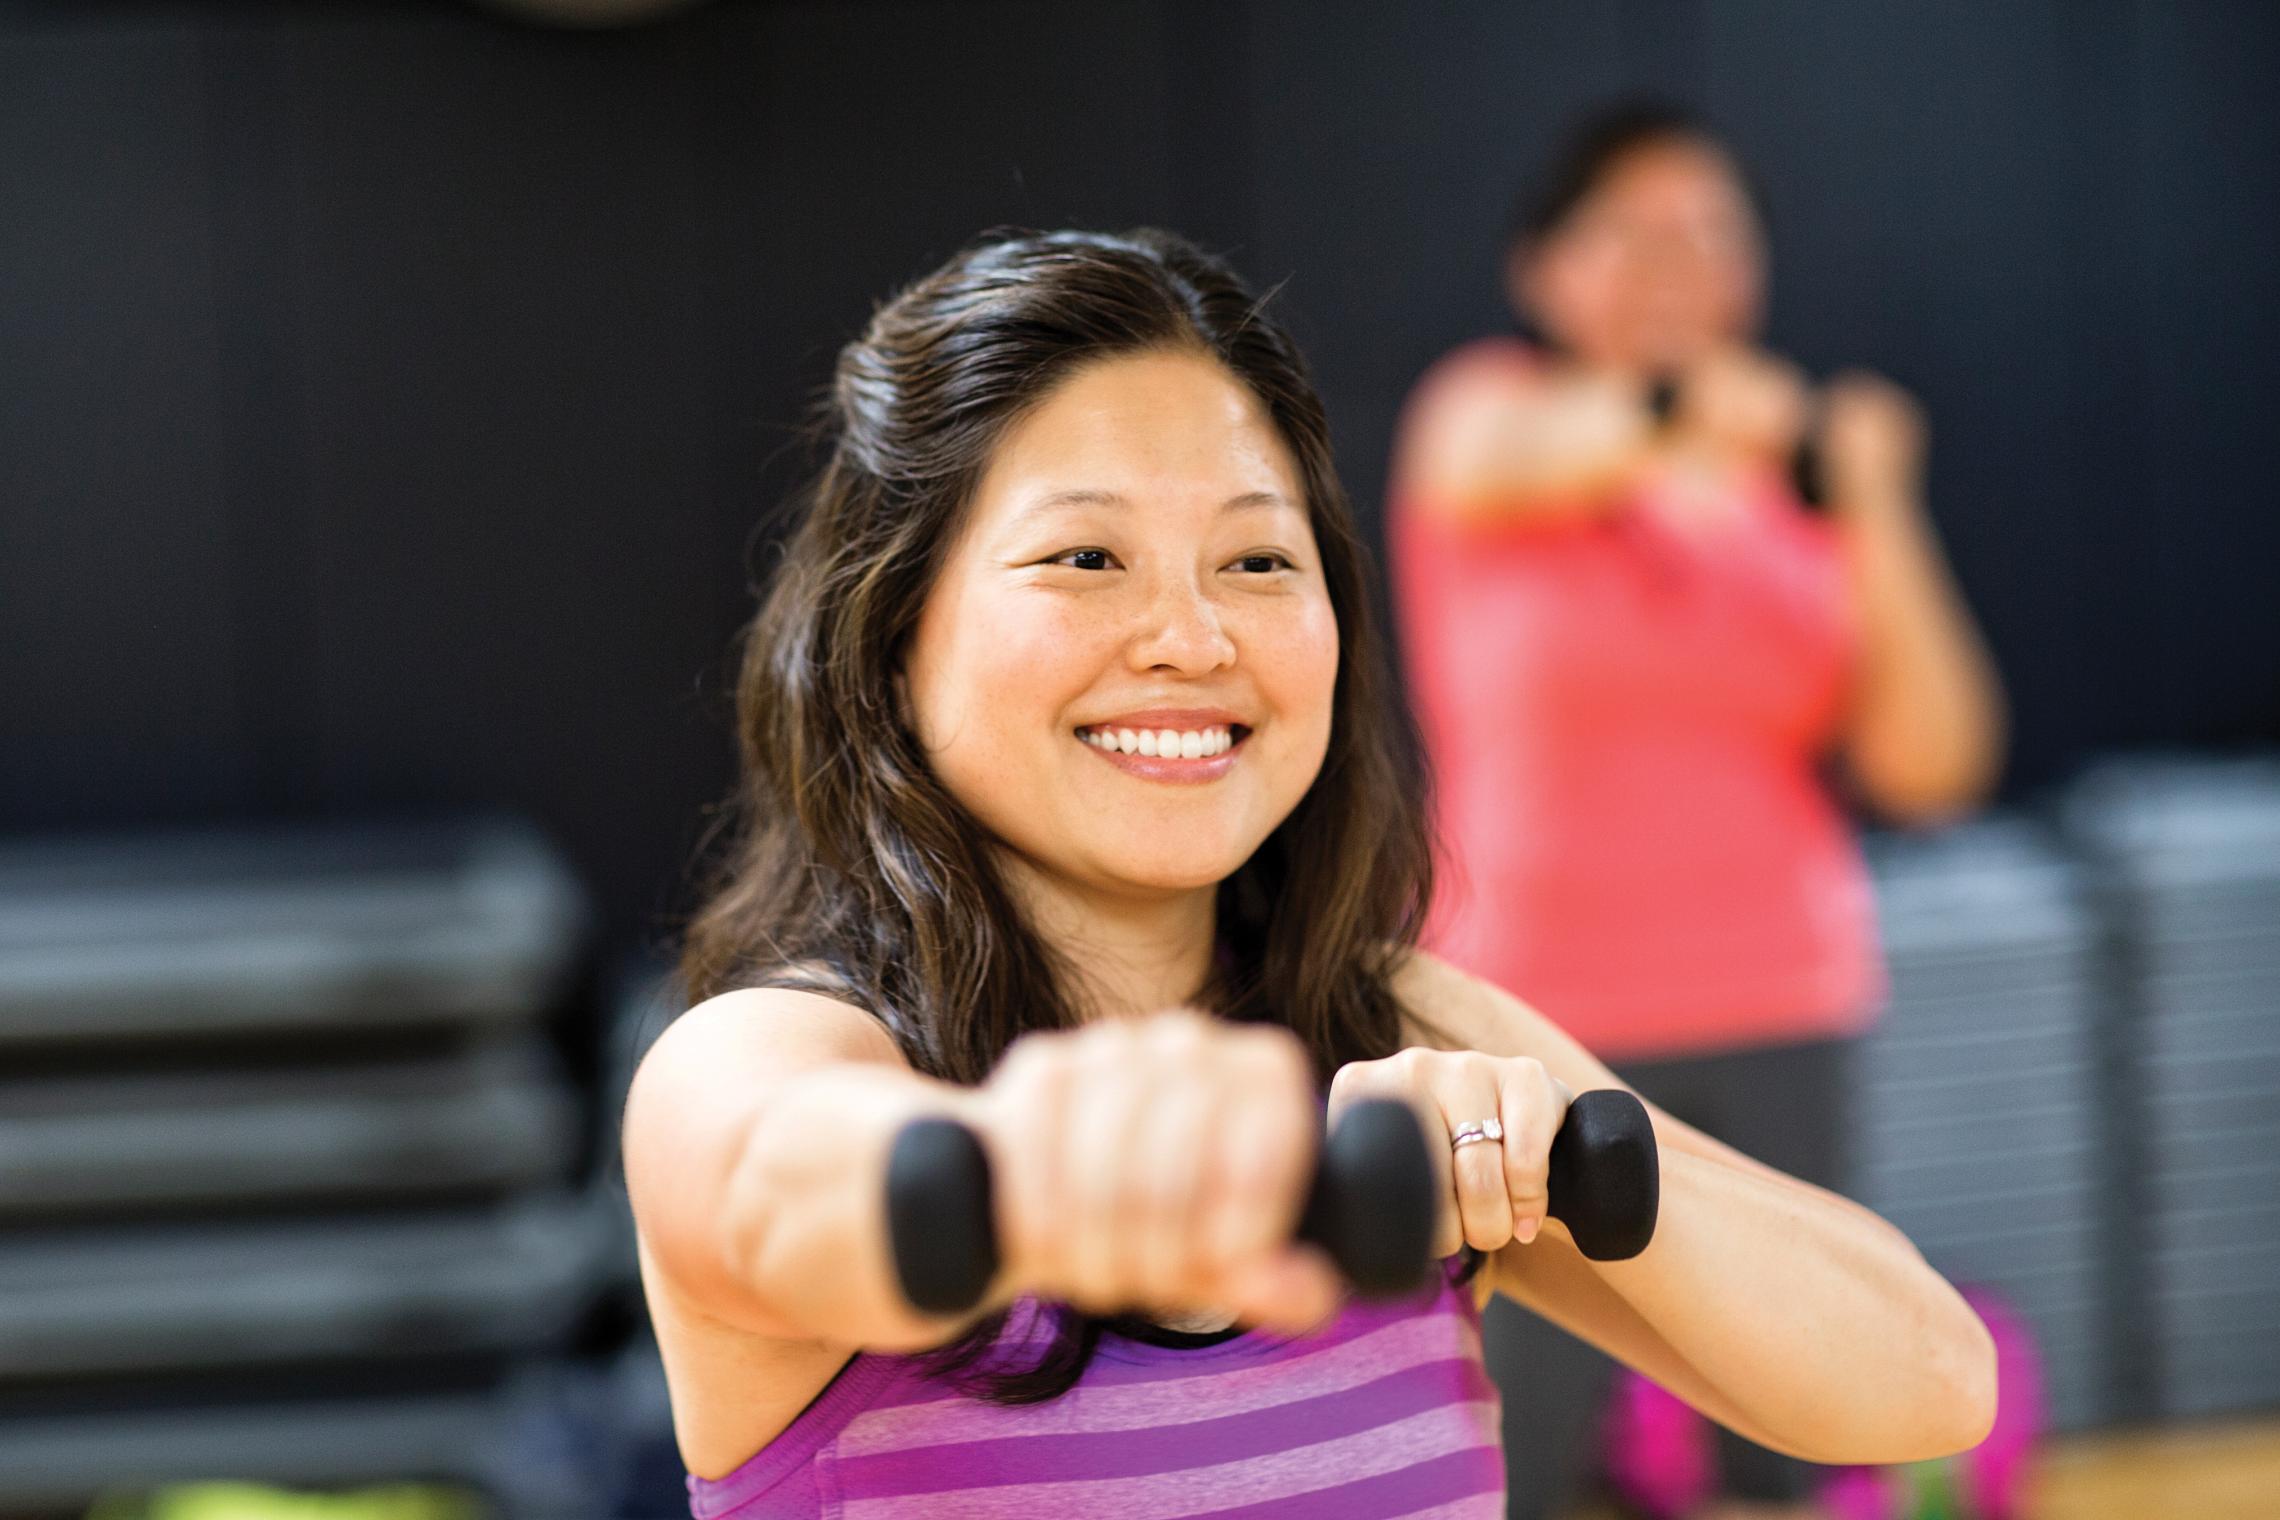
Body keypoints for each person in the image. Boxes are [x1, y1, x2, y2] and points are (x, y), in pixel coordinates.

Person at [622, 227, 1996, 1520]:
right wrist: (1044, 1167)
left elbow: (1930, 1380)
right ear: (893, 635)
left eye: (1259, 559)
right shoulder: (759, 1057)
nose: (1192, 634)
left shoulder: (1399, 1036)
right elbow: (782, 1189)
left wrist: (1531, 1143)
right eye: (1086, 557)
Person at [1387, 106, 2008, 1519]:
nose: (1675, 258)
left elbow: (1935, 759)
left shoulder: (1797, 503)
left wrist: (1875, 497)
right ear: (1543, 271)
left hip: (1784, 997)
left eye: (1709, 229)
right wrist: (1694, 412)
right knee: (1513, 1449)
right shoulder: (1481, 415)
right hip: (1530, 1019)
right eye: (1631, 226)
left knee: (1785, 1447)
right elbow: (1522, 454)